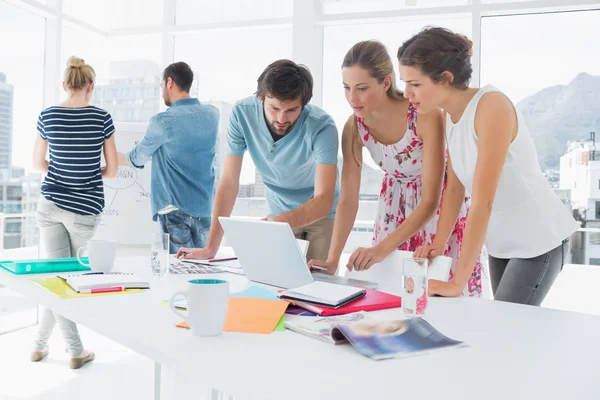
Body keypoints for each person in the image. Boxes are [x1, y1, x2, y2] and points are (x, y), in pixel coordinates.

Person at [407, 27, 578, 305]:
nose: (407, 94)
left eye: (415, 84)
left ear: (445, 79)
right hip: (500, 241)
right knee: (506, 326)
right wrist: (439, 244)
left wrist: (456, 282)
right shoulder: (450, 115)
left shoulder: (491, 106)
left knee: (511, 328)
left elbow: (482, 202)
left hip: (538, 239)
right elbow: (455, 189)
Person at [308, 41, 483, 296]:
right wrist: (333, 259)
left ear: (386, 82)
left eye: (362, 88)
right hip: (392, 210)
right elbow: (347, 200)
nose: (352, 98)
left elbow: (431, 200)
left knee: (440, 294)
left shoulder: (424, 114)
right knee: (389, 295)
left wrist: (380, 249)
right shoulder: (354, 127)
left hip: (438, 213)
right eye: (347, 88)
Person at [176, 60, 340, 262]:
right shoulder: (242, 114)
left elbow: (324, 200)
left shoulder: (322, 126)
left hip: (321, 213)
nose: (281, 118)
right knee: (277, 280)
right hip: (278, 208)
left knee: (316, 284)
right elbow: (228, 183)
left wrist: (276, 221)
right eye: (274, 108)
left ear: (304, 105)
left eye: (292, 110)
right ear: (261, 98)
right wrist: (210, 248)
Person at [31, 56, 118, 368]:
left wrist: (61, 169)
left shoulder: (47, 116)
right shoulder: (102, 118)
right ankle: (76, 351)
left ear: (65, 84)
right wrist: (88, 171)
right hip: (84, 210)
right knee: (66, 282)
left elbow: (38, 164)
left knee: (56, 279)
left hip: (50, 204)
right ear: (90, 87)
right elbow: (112, 170)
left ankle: (39, 345)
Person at [119, 62, 219, 254]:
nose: (161, 90)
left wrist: (119, 159)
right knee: (202, 268)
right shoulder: (213, 115)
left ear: (170, 82)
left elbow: (139, 157)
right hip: (205, 210)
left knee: (179, 270)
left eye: (161, 85)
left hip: (174, 211)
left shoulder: (163, 122)